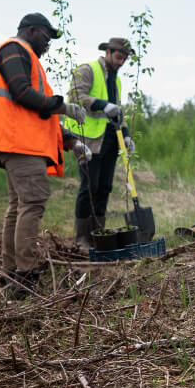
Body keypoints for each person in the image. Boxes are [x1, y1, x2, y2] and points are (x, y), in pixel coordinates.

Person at [0, 12, 91, 294]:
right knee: (32, 204)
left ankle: (12, 275)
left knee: (19, 207)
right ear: (32, 30)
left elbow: (37, 114)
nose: (48, 44)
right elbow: (22, 93)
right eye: (46, 37)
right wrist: (62, 105)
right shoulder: (14, 50)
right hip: (17, 143)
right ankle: (25, 276)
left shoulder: (28, 60)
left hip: (16, 141)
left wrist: (70, 140)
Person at [62, 37, 136, 249]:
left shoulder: (117, 80)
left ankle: (98, 235)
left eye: (124, 59)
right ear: (108, 52)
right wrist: (102, 104)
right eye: (118, 57)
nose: (121, 62)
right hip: (89, 139)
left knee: (104, 188)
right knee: (89, 187)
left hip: (111, 139)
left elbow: (117, 111)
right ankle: (82, 238)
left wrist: (126, 133)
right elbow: (75, 96)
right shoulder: (87, 70)